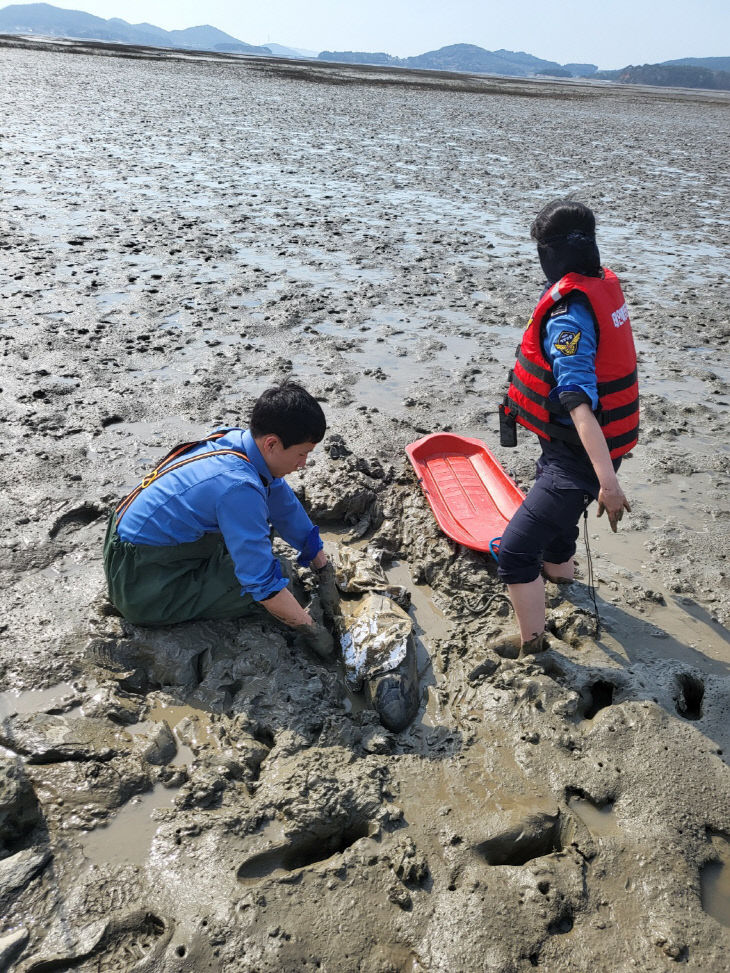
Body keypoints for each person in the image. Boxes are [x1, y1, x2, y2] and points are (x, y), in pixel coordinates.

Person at [103, 380, 338, 657]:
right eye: (302, 454)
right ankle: (158, 604)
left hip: (127, 537)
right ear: (272, 443)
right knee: (279, 577)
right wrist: (315, 632)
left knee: (261, 541)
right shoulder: (238, 487)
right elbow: (262, 585)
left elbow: (281, 501)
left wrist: (320, 563)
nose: (303, 464)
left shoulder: (237, 441)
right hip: (141, 583)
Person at [497, 199, 639, 656]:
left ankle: (533, 646)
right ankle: (563, 590)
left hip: (581, 457)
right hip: (576, 450)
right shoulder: (600, 284)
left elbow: (578, 402)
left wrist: (609, 485)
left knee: (517, 551)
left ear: (553, 253)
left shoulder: (569, 314)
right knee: (558, 533)